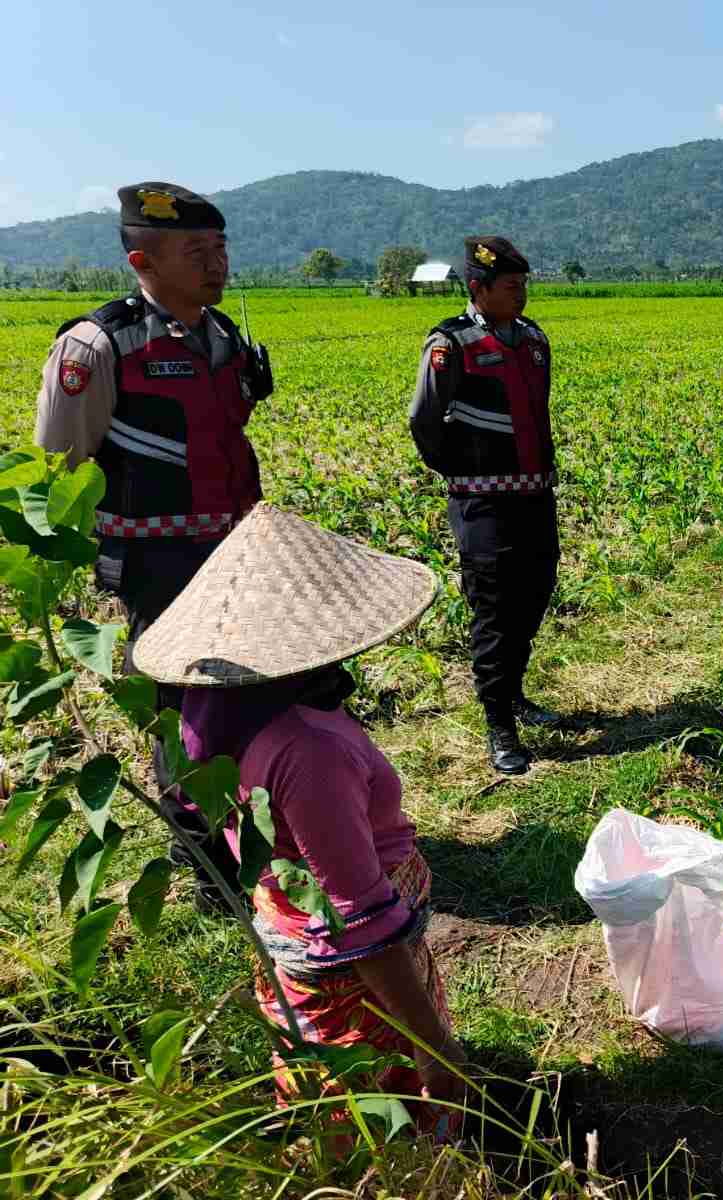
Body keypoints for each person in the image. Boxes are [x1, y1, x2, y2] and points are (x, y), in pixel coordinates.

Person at [132, 503, 466, 1137]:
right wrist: (432, 1045)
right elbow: (360, 917)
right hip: (359, 971)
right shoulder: (310, 749)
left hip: (293, 923)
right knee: (383, 1113)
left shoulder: (217, 709)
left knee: (332, 1098)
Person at [34, 181, 271, 910]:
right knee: (183, 712)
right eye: (198, 250)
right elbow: (60, 466)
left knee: (246, 698)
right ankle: (202, 862)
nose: (217, 262)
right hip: (157, 564)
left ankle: (256, 843)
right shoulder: (100, 343)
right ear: (143, 259)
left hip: (233, 553)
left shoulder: (225, 337)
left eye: (221, 247)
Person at [409, 236, 559, 775]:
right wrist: (460, 473)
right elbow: (424, 419)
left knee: (533, 596)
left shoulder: (534, 340)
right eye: (511, 286)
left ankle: (514, 693)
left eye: (524, 285)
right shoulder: (451, 343)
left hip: (536, 496)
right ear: (478, 288)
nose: (522, 295)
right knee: (494, 611)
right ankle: (499, 724)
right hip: (483, 504)